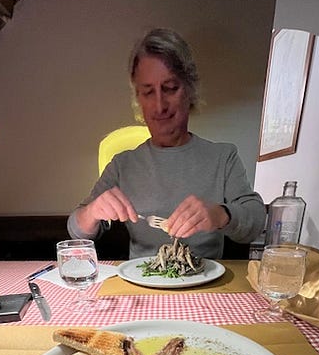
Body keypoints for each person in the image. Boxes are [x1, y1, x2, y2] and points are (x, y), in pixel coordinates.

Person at [67, 28, 266, 259]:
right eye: (148, 92)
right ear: (138, 98)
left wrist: (221, 215)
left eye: (170, 88)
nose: (159, 106)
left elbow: (255, 219)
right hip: (140, 287)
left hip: (205, 288)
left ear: (189, 90)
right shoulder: (123, 165)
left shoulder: (223, 157)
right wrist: (92, 212)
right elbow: (76, 229)